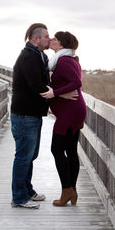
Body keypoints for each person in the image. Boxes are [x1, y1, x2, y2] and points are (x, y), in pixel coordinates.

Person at [40, 31, 86, 206]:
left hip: (70, 111)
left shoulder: (64, 61)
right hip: (74, 109)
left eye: (54, 39)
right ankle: (72, 191)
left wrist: (54, 93)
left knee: (56, 149)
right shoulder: (68, 59)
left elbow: (76, 83)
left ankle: (67, 191)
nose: (51, 40)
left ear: (61, 44)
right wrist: (59, 92)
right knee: (71, 150)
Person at [10, 23, 51, 209]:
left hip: (32, 114)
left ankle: (27, 190)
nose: (49, 40)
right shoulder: (28, 57)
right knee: (24, 156)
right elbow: (37, 85)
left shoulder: (39, 55)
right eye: (46, 37)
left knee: (30, 155)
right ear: (36, 39)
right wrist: (56, 93)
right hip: (24, 115)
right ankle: (19, 197)